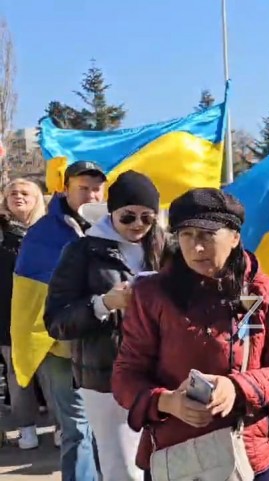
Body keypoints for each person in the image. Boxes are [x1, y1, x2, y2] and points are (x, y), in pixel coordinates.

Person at [111, 188, 269, 480]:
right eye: (186, 235)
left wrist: (236, 388)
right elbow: (126, 375)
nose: (196, 248)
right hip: (176, 453)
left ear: (235, 237)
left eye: (207, 235)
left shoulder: (263, 292)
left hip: (246, 455)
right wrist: (167, 402)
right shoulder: (152, 294)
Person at [44, 171, 164, 480]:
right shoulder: (82, 251)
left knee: (164, 467)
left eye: (147, 217)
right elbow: (56, 321)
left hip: (161, 374)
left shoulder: (167, 249)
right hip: (105, 379)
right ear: (112, 213)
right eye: (128, 216)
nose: (138, 224)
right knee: (123, 471)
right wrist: (104, 304)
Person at [11, 161, 105, 480]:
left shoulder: (116, 226)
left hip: (107, 345)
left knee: (107, 427)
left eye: (96, 189)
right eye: (83, 188)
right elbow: (29, 293)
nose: (91, 195)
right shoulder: (42, 234)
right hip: (61, 346)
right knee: (77, 428)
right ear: (65, 190)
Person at [0, 179, 46, 450]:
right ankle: (26, 428)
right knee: (18, 377)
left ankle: (62, 427)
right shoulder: (3, 232)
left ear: (37, 198)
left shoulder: (50, 229)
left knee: (54, 378)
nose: (18, 197)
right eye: (12, 193)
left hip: (47, 316)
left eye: (25, 193)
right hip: (9, 316)